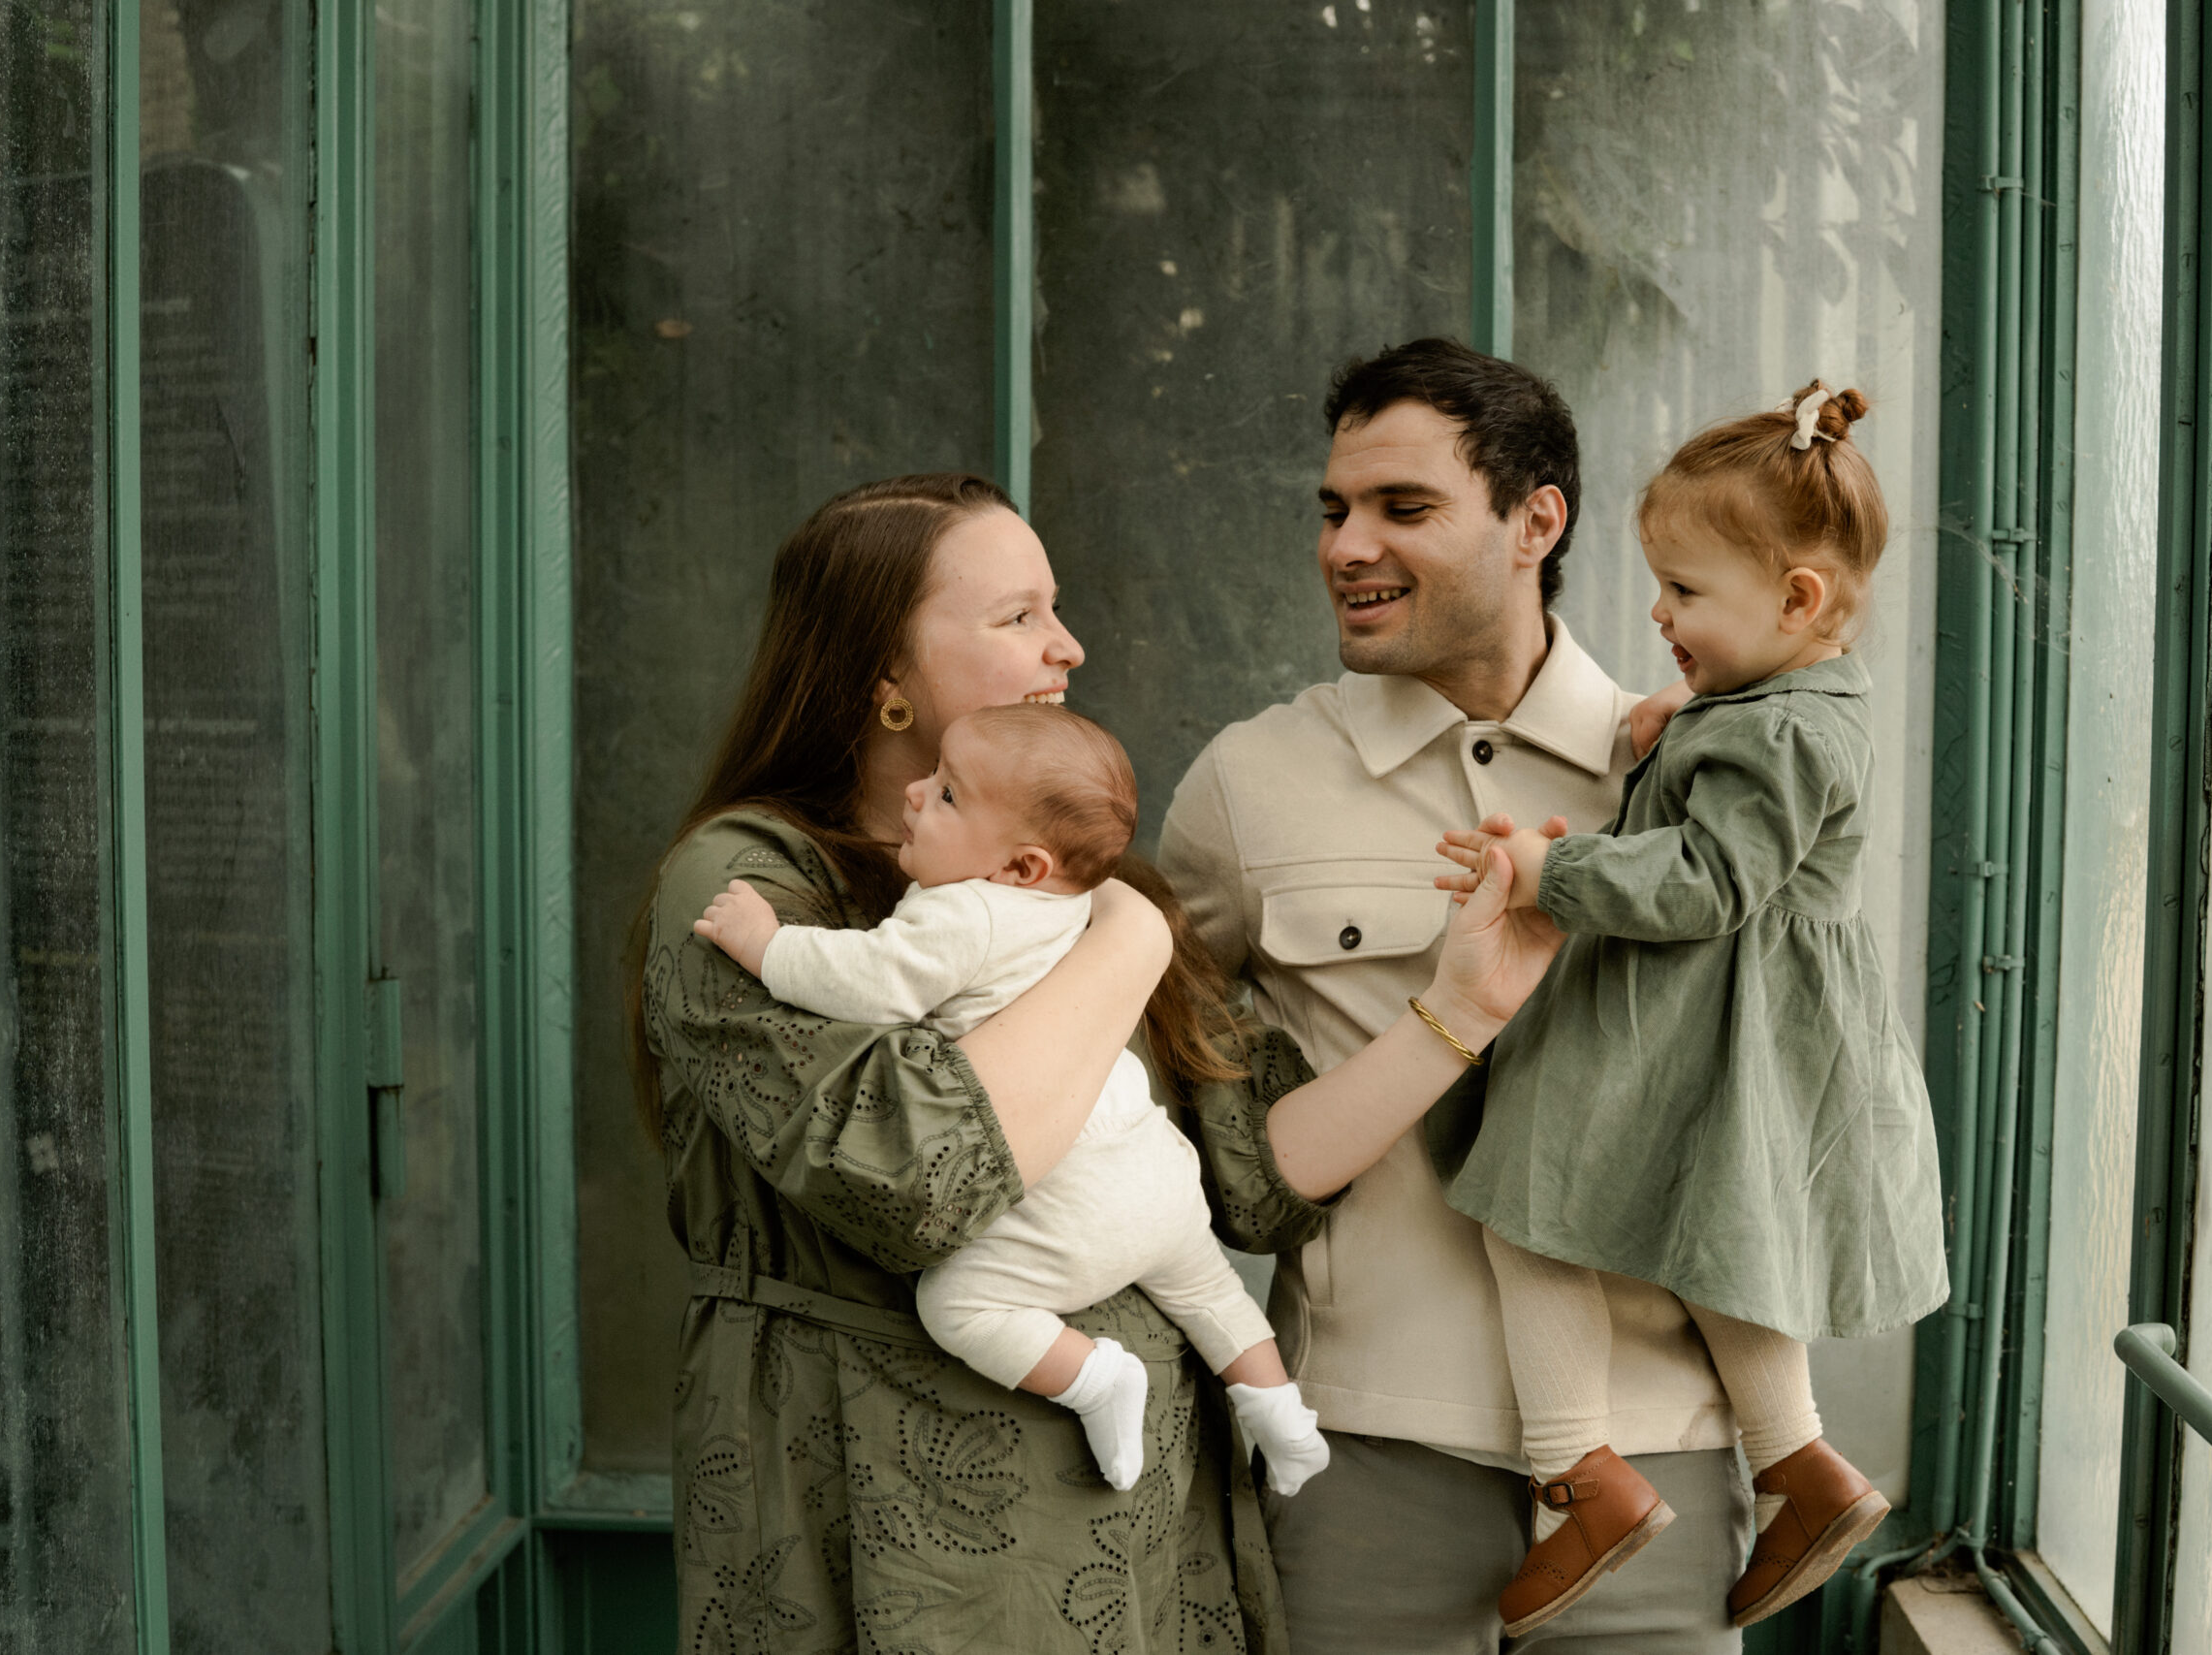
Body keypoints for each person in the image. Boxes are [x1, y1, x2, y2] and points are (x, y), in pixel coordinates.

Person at [635, 470, 1566, 1653]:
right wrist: (1124, 947)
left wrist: (1464, 1009)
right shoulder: (748, 888)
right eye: (1016, 616)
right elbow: (919, 1182)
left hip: (1135, 1515)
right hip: (881, 1505)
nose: (1066, 646)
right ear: (881, 678)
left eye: (1055, 608)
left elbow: (1252, 1176)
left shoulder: (1062, 875)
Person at [1158, 338, 1745, 1654]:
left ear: (1538, 519)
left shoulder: (1700, 766)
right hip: (1367, 1449)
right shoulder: (1247, 784)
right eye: (1333, 510)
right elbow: (1154, 1111)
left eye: (1401, 508)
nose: (1346, 545)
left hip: (1663, 1440)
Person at [1433, 383, 1948, 1635]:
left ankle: (1585, 1472)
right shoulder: (1800, 703)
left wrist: (1548, 869)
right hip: (1751, 1030)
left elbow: (1711, 879)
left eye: (1683, 592)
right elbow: (1734, 796)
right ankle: (1801, 1461)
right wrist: (1683, 722)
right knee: (1730, 1241)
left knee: (1527, 1207)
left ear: (1798, 600)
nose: (1658, 614)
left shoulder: (1767, 734)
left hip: (1705, 1021)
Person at [688, 702, 1328, 1497]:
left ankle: (1093, 1377)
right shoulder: (1083, 902)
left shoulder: (968, 910)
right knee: (1210, 1293)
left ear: (1022, 865)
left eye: (949, 794)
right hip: (1158, 1172)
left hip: (1075, 1197)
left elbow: (872, 981)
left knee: (957, 1303)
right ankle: (1282, 1417)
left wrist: (768, 942)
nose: (918, 793)